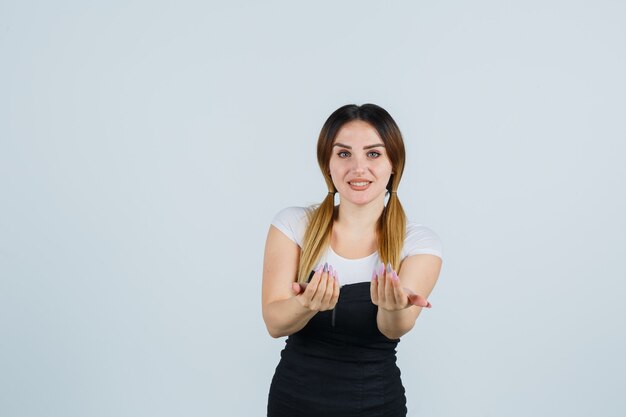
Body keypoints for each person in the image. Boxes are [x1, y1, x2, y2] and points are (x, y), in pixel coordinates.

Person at [261, 103, 443, 417]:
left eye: (373, 153)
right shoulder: (292, 225)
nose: (358, 168)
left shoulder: (419, 243)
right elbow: (275, 324)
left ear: (393, 164)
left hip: (374, 403)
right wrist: (306, 304)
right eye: (344, 154)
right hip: (293, 401)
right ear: (327, 164)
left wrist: (391, 306)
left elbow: (394, 329)